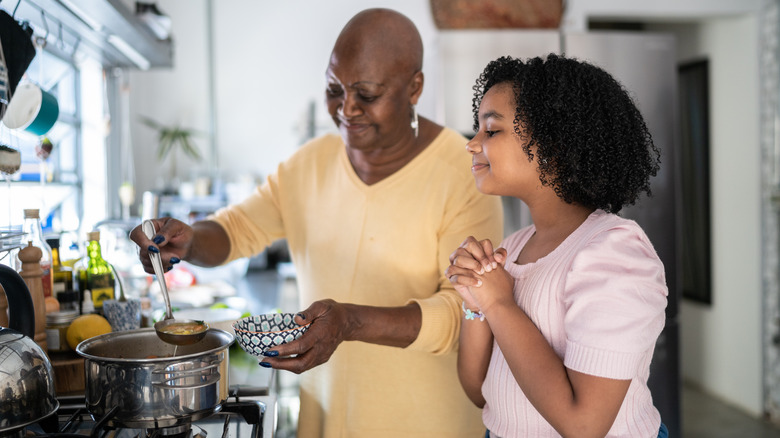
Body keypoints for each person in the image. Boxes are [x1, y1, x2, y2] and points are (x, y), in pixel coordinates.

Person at [130, 8, 503, 438]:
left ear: (413, 88)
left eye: (366, 94)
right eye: (334, 89)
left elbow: (466, 312)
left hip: (425, 424)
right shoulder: (309, 164)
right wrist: (190, 240)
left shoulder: (464, 173)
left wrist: (350, 322)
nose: (346, 109)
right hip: (323, 419)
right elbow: (235, 231)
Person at [444, 54, 669, 438]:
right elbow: (479, 391)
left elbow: (584, 425)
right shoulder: (512, 248)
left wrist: (499, 303)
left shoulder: (615, 252)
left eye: (492, 131)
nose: (472, 145)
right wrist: (475, 303)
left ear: (553, 145)